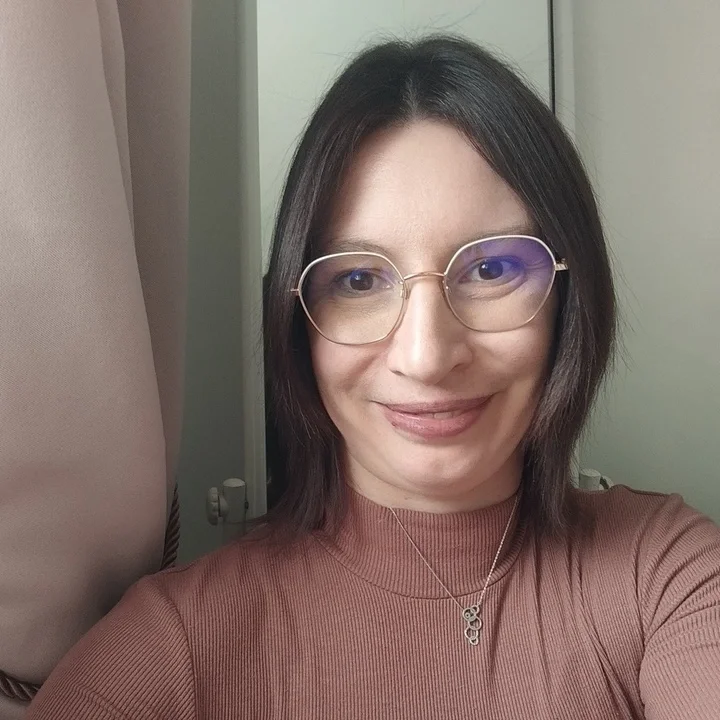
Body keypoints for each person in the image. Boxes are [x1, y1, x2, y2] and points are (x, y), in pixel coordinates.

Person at [28, 35, 720, 720]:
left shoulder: (667, 575)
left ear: (569, 294)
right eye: (359, 280)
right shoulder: (176, 639)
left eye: (491, 269)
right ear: (298, 320)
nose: (426, 356)